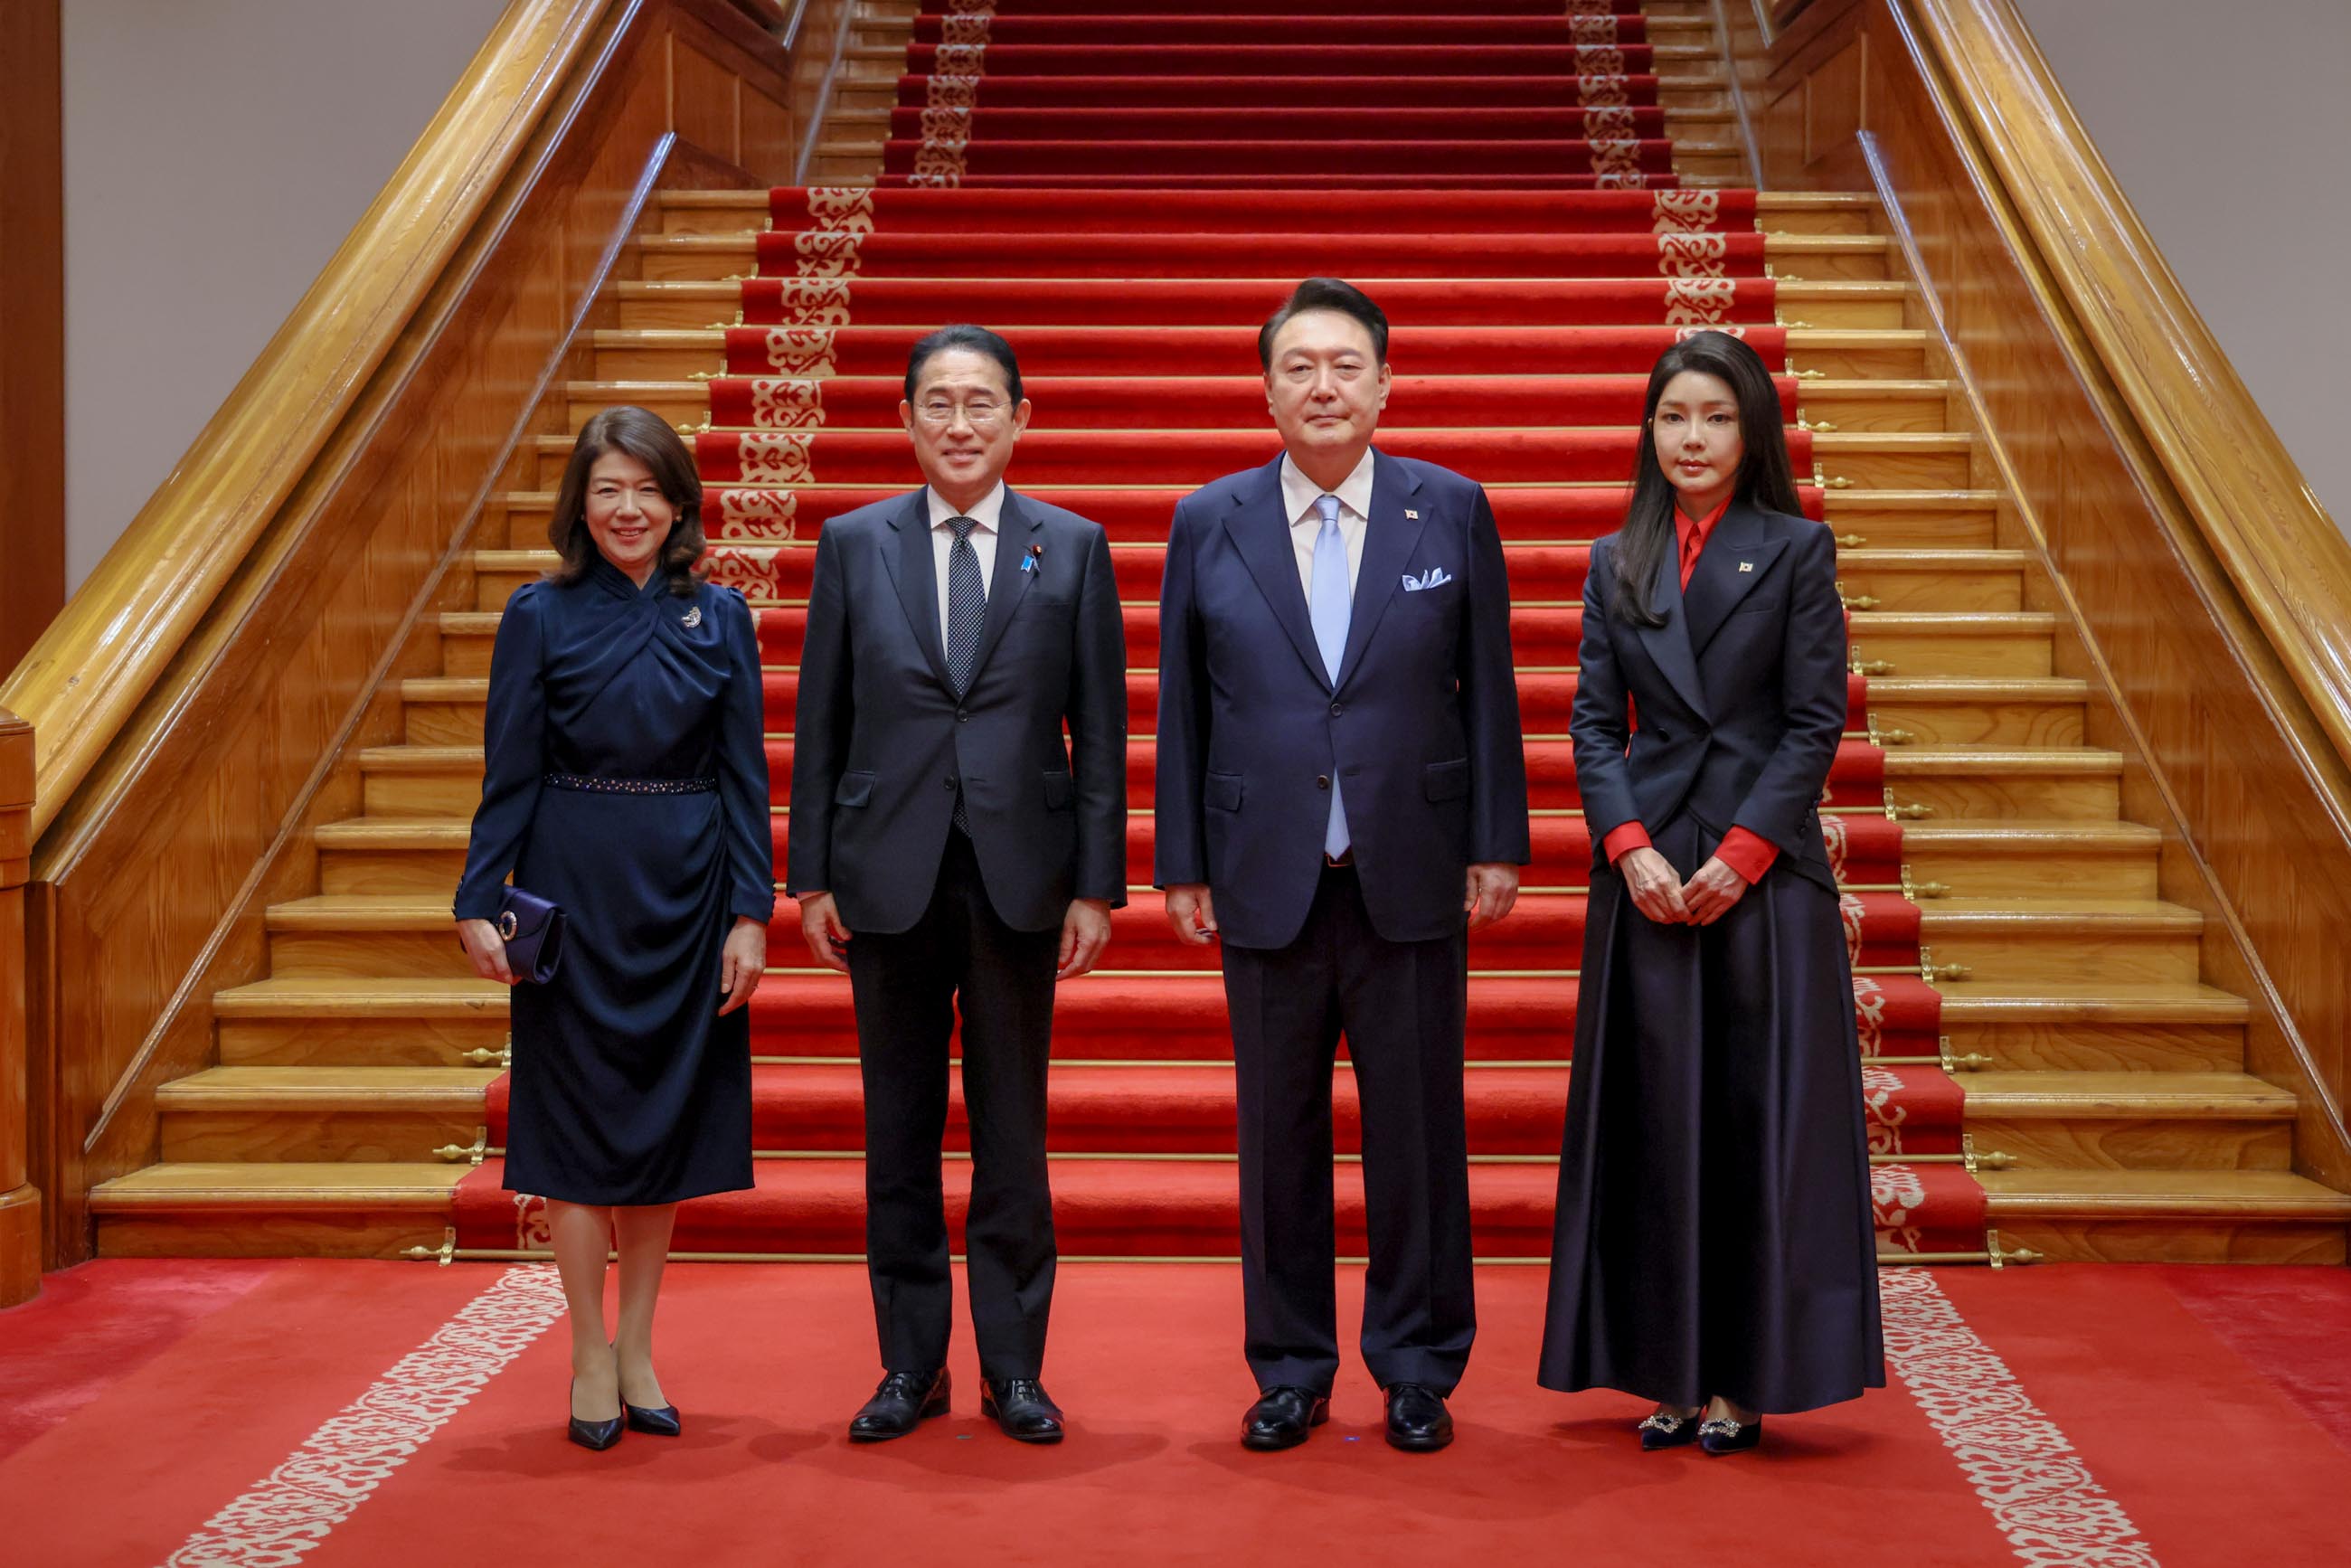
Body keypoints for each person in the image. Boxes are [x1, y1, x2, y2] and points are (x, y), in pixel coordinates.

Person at [1154, 278, 1530, 1453]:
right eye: (1300, 367)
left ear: (1384, 382)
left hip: (1409, 864)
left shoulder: (1451, 509)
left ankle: (1417, 1362)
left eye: (1346, 365)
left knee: (1418, 1129)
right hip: (1262, 863)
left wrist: (1497, 838)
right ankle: (1291, 1365)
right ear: (1266, 388)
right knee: (1277, 1136)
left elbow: (1492, 692)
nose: (1324, 386)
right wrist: (1180, 857)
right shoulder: (1207, 519)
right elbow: (1180, 709)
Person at [1537, 331, 1886, 1455]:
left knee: (1748, 1126)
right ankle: (1664, 1372)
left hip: (1757, 877)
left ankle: (1742, 1378)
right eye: (1672, 417)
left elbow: (1810, 722)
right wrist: (1627, 844)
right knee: (1654, 1128)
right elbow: (1594, 723)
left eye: (1714, 419)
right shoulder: (1616, 558)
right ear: (1649, 429)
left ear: (1750, 433)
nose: (1690, 439)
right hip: (1645, 878)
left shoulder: (1794, 550)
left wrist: (1737, 857)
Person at [786, 325, 1127, 1446]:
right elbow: (822, 718)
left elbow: (1100, 728)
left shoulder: (1069, 548)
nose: (960, 423)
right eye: (937, 402)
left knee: (1011, 1132)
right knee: (898, 1131)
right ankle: (910, 1367)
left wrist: (1095, 886)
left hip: (1020, 878)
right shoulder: (854, 543)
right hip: (884, 873)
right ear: (906, 421)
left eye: (982, 402)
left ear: (1019, 420)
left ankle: (1015, 1368)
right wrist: (810, 877)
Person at [453, 405, 774, 1452]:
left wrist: (749, 912)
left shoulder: (720, 615)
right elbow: (508, 771)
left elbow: (740, 776)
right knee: (579, 1133)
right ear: (580, 507)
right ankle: (587, 1348)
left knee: (663, 1128)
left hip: (686, 893)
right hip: (572, 888)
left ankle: (639, 1347)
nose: (627, 509)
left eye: (646, 489)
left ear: (678, 502)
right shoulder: (536, 615)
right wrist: (475, 893)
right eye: (607, 491)